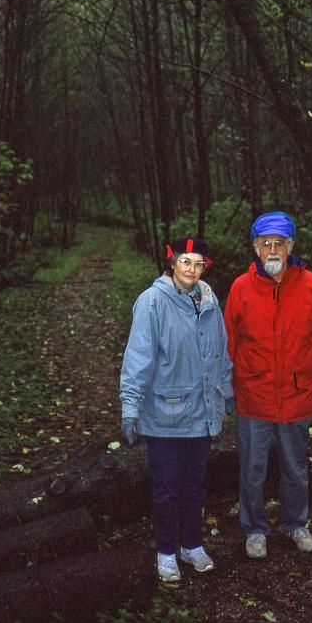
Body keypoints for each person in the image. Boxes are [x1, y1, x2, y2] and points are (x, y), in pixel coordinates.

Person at [224, 211, 312, 559]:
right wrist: (224, 392)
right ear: (255, 248)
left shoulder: (310, 285)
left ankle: (294, 523)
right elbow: (227, 344)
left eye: (279, 243)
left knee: (295, 467)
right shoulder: (241, 288)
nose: (272, 250)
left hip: (297, 395)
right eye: (265, 244)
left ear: (290, 247)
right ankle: (255, 529)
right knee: (252, 469)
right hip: (253, 396)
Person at [120, 237, 234, 583]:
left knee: (195, 484)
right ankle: (166, 551)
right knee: (167, 487)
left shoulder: (209, 300)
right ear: (172, 263)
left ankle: (192, 544)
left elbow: (220, 352)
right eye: (185, 262)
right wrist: (130, 406)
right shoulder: (152, 301)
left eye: (199, 264)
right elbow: (138, 357)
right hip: (165, 414)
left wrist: (227, 393)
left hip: (201, 412)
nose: (192, 270)